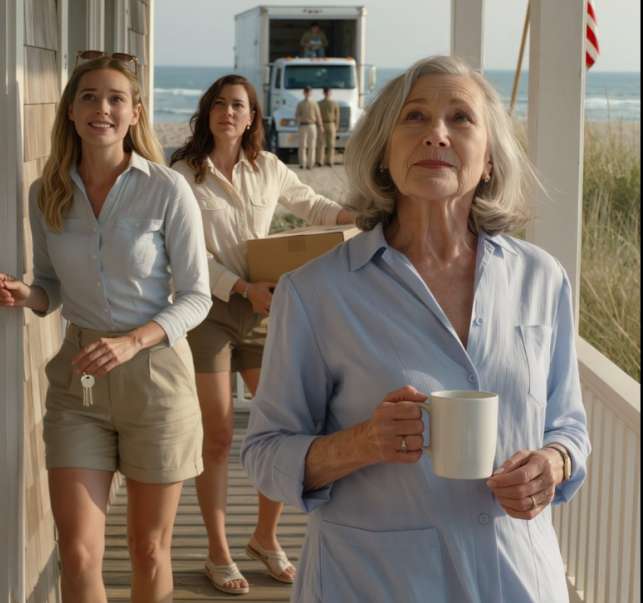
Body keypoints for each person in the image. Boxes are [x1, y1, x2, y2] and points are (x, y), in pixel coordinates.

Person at [241, 55, 590, 603]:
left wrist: (553, 463)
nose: (436, 134)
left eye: (461, 118)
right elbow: (264, 455)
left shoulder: (541, 277)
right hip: (375, 582)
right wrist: (361, 443)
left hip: (519, 577)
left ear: (490, 159)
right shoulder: (315, 291)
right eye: (415, 117)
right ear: (383, 153)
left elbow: (568, 425)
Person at [0, 53, 212, 603]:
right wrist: (30, 295)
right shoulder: (47, 192)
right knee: (79, 553)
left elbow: (197, 297)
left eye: (116, 99)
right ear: (70, 110)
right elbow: (50, 283)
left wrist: (135, 340)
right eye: (89, 96)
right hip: (78, 381)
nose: (102, 109)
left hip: (156, 379)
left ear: (135, 113)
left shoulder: (166, 189)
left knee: (147, 550)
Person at [170, 74, 356, 595]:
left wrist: (366, 218)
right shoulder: (183, 175)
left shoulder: (268, 168)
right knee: (220, 436)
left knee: (282, 426)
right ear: (208, 112)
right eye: (221, 104)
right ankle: (217, 550)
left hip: (266, 314)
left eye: (240, 106)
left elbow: (315, 207)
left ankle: (266, 539)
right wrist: (239, 287)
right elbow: (184, 254)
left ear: (253, 117)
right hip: (208, 312)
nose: (229, 112)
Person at [295, 86, 324, 169]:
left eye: (309, 92)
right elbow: (297, 117)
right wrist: (297, 126)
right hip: (303, 125)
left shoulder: (314, 104)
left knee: (312, 145)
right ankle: (302, 163)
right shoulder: (300, 104)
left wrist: (321, 126)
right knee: (302, 145)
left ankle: (310, 164)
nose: (307, 93)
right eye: (306, 92)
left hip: (312, 125)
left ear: (311, 93)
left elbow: (318, 116)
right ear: (304, 93)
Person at [316, 87, 340, 167]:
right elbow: (337, 115)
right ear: (330, 93)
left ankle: (320, 161)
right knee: (331, 144)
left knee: (321, 143)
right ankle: (330, 161)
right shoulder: (334, 103)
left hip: (322, 124)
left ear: (323, 93)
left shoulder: (319, 103)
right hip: (331, 124)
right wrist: (336, 124)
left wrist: (319, 125)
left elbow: (317, 115)